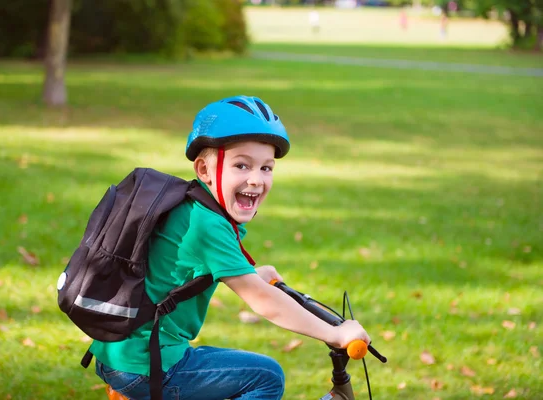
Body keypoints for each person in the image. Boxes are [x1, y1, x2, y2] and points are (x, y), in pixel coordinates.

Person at [89, 95, 371, 400]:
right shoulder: (208, 225)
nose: (256, 179)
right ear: (204, 170)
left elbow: (189, 268)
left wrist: (251, 271)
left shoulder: (194, 205)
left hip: (121, 351)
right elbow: (264, 301)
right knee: (265, 377)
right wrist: (335, 333)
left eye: (266, 168)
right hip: (144, 364)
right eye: (241, 165)